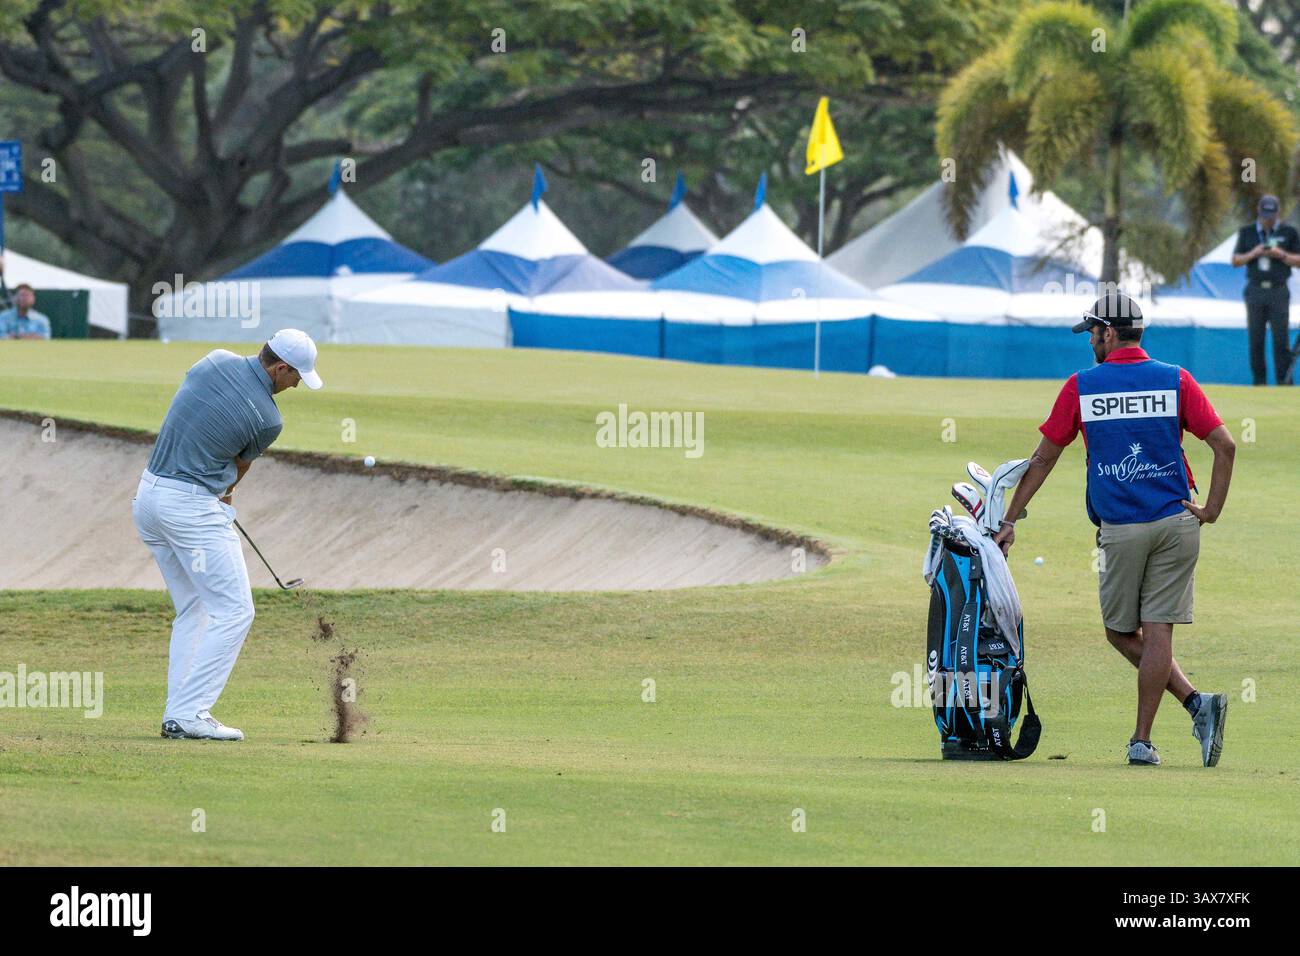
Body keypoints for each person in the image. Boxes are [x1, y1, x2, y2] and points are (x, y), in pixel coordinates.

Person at [992, 292, 1235, 767]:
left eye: (1093, 333)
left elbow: (1044, 458)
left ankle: (1145, 739)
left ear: (1109, 332)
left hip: (1122, 527)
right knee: (1156, 628)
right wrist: (1211, 510)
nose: (1090, 342)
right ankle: (1194, 707)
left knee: (1122, 632)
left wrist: (1009, 519)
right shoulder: (1176, 379)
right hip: (1177, 520)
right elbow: (1224, 445)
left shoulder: (1083, 386)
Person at [133, 329, 323, 741]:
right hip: (190, 509)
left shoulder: (215, 357)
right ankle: (191, 713)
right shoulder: (269, 419)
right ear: (280, 368)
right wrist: (224, 498)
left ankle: (177, 715)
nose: (296, 385)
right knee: (236, 610)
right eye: (296, 377)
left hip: (148, 497)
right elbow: (238, 469)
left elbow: (194, 403)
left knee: (197, 606)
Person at [1231, 194, 1300, 385]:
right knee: (1256, 340)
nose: (1267, 218)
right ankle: (1259, 383)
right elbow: (1235, 260)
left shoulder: (1289, 232)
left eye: (1271, 214)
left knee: (1281, 340)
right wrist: (1254, 253)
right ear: (1258, 211)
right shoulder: (1247, 232)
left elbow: (1299, 261)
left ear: (1277, 213)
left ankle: (1284, 383)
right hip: (1255, 290)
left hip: (1278, 290)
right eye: (1264, 214)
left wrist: (1281, 254)